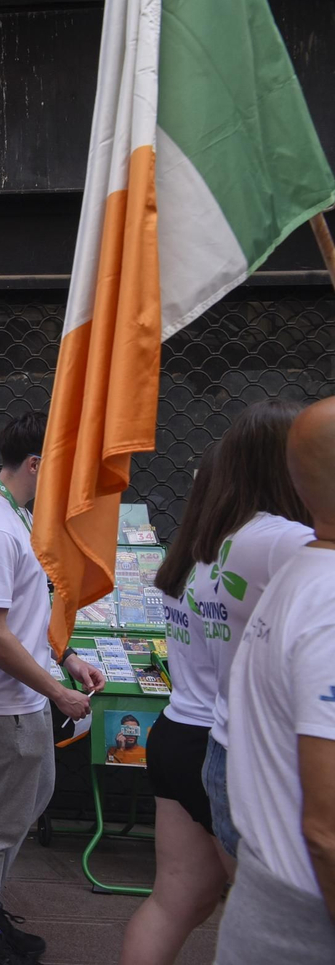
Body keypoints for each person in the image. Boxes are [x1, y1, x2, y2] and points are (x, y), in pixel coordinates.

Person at [120, 402, 312, 965]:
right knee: (263, 919)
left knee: (176, 900)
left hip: (179, 731)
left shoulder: (203, 548)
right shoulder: (283, 541)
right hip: (227, 743)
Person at [0, 411, 103, 965]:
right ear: (37, 463)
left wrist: (67, 656)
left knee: (26, 805)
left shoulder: (16, 517)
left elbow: (22, 613)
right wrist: (58, 691)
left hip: (25, 698)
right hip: (3, 704)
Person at [213, 395, 335, 964]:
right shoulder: (307, 571)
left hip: (269, 885)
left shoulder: (296, 563)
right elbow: (327, 828)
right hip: (303, 910)